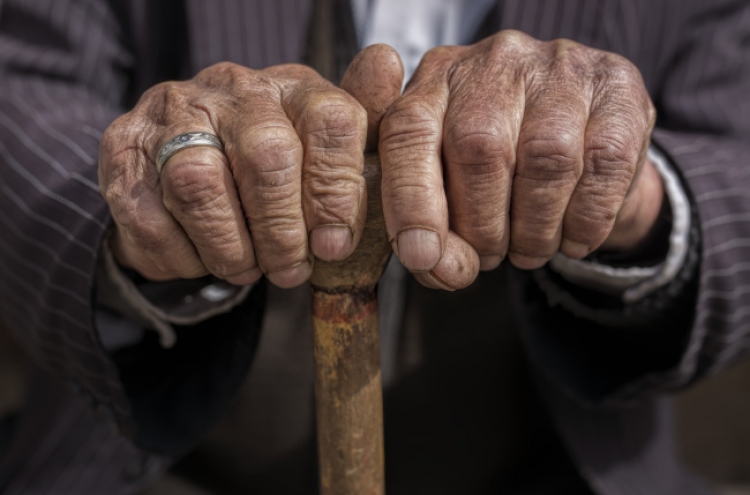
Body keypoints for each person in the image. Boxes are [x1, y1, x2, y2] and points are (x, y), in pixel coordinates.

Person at [0, 0, 747, 493]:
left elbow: (735, 152)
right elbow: (24, 90)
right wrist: (140, 199)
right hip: (156, 470)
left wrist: (634, 198)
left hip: (554, 469)